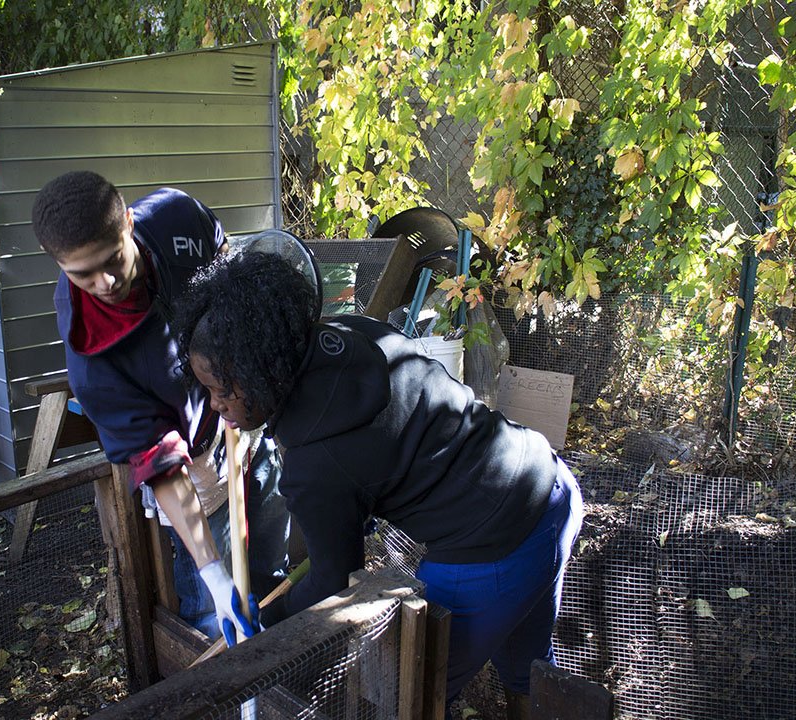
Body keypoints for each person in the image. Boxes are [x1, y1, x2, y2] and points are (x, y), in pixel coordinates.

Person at [173, 250, 583, 720]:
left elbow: (334, 583)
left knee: (403, 695)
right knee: (527, 668)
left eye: (223, 390)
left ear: (263, 368)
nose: (214, 405)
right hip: (548, 481)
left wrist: (269, 624)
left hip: (492, 548)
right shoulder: (352, 331)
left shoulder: (314, 463)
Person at [31, 171, 288, 644]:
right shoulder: (95, 366)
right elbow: (164, 467)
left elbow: (227, 267)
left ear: (128, 224)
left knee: (272, 569)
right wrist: (213, 573)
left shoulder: (176, 217)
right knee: (219, 622)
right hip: (196, 470)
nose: (105, 282)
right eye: (82, 274)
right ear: (59, 265)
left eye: (113, 260)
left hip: (247, 425)